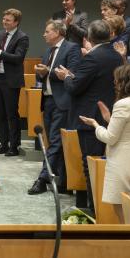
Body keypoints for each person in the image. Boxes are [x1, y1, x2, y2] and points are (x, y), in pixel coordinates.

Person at [55, 19, 119, 211]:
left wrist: (66, 77)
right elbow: (93, 81)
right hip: (108, 115)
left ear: (89, 37)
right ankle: (100, 208)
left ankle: (93, 209)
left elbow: (74, 88)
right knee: (101, 166)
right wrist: (72, 76)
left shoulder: (92, 57)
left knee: (90, 165)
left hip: (90, 118)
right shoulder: (116, 55)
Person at [79, 64, 130, 222]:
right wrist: (109, 119)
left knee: (123, 213)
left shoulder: (123, 104)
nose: (114, 83)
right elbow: (129, 130)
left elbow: (110, 138)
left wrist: (96, 125)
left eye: (116, 80)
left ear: (125, 81)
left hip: (122, 163)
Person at [29, 20, 81, 195]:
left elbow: (71, 73)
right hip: (48, 100)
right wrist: (41, 73)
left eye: (47, 31)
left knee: (56, 142)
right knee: (53, 142)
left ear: (58, 32)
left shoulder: (72, 48)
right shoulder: (49, 50)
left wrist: (48, 72)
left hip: (62, 101)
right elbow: (47, 75)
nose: (44, 34)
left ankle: (42, 179)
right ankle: (64, 182)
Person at [0, 8, 29, 157]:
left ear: (16, 22)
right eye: (4, 19)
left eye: (8, 20)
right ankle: (3, 144)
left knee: (11, 114)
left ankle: (14, 146)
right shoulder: (0, 34)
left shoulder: (22, 37)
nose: (4, 22)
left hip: (11, 80)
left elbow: (18, 58)